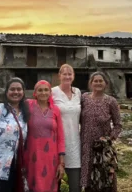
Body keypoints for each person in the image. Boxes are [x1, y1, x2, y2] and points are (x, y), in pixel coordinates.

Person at [80, 71, 122, 192]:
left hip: (103, 148)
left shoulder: (111, 101)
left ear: (106, 84)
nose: (98, 83)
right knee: (87, 178)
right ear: (91, 83)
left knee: (106, 179)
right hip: (86, 145)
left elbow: (118, 125)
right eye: (95, 81)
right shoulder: (84, 99)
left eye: (100, 81)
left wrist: (109, 139)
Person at [24, 80, 65, 192]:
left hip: (51, 160)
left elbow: (60, 138)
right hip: (32, 158)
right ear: (35, 93)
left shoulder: (55, 110)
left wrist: (61, 164)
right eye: (40, 90)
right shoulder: (28, 105)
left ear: (50, 92)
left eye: (46, 90)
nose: (43, 93)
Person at [52, 64, 81, 192]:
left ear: (73, 76)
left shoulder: (78, 92)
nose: (67, 76)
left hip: (75, 144)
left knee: (75, 187)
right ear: (59, 76)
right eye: (64, 73)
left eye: (70, 74)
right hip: (56, 145)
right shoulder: (52, 92)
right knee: (54, 186)